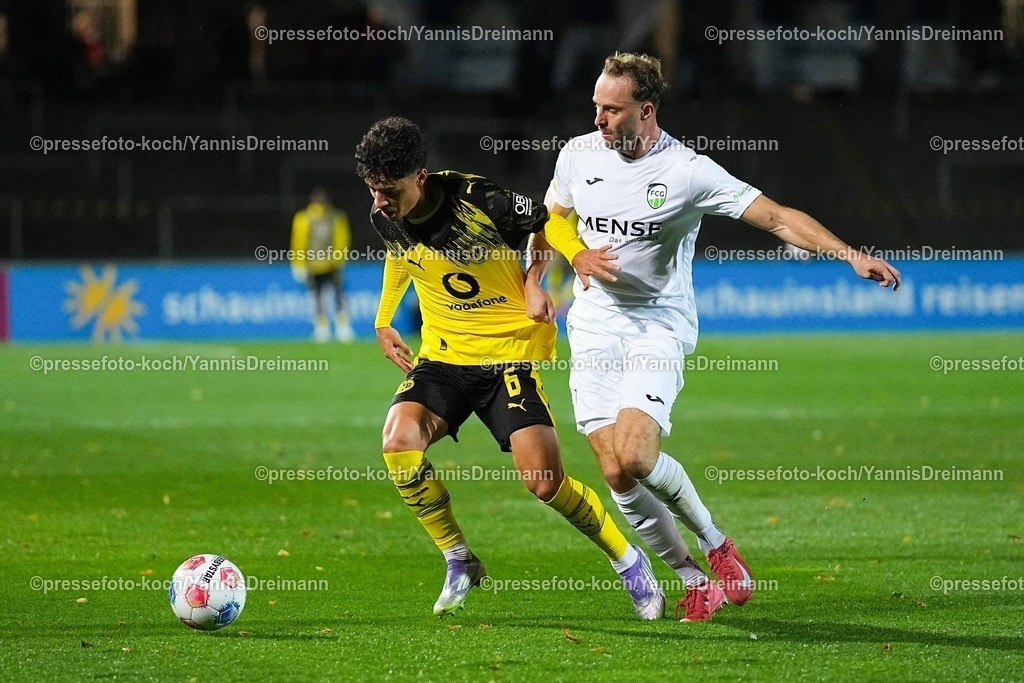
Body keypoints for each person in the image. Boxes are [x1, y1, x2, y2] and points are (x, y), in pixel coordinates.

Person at [534, 52, 901, 622]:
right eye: (596, 107)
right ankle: (692, 580)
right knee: (612, 472)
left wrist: (848, 253)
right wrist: (564, 260)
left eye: (612, 109)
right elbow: (552, 216)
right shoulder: (579, 154)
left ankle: (715, 542)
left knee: (635, 455)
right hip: (594, 324)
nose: (599, 119)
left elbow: (777, 218)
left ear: (646, 111)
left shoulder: (687, 172)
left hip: (657, 323)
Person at [355, 116, 664, 618]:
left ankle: (628, 561)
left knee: (544, 481)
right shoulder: (385, 213)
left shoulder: (480, 200)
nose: (379, 202)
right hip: (444, 357)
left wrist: (561, 263)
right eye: (372, 190)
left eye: (388, 190)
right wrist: (383, 317)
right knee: (397, 442)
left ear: (421, 176)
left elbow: (549, 220)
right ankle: (458, 557)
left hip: (509, 355)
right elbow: (401, 254)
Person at [290, 188, 354, 342]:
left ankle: (323, 327)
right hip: (332, 263)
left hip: (315, 264)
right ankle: (340, 326)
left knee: (318, 297)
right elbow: (342, 240)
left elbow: (299, 242)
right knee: (337, 295)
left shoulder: (304, 217)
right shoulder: (335, 216)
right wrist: (340, 258)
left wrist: (298, 263)